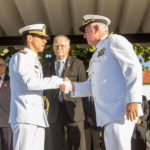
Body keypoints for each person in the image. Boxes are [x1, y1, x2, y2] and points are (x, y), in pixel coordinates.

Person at [61, 14, 143, 150]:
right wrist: (71, 86)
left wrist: (134, 100)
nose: (84, 36)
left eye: (86, 31)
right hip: (108, 115)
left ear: (96, 28)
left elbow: (133, 68)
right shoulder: (96, 54)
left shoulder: (115, 41)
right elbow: (92, 85)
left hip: (121, 112)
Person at [9, 24, 69, 150]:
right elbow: (29, 83)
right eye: (41, 37)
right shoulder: (21, 57)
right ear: (29, 38)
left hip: (36, 117)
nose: (44, 41)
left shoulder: (33, 59)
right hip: (24, 117)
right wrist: (57, 81)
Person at [43, 35, 86, 150]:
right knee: (54, 145)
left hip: (73, 109)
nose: (59, 48)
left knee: (77, 144)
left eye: (62, 45)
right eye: (56, 46)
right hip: (53, 110)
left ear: (68, 48)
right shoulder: (46, 64)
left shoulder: (78, 63)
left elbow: (84, 87)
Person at [0, 58, 13, 150]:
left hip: (6, 121)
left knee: (7, 147)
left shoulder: (12, 81)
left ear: (5, 67)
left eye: (1, 65)